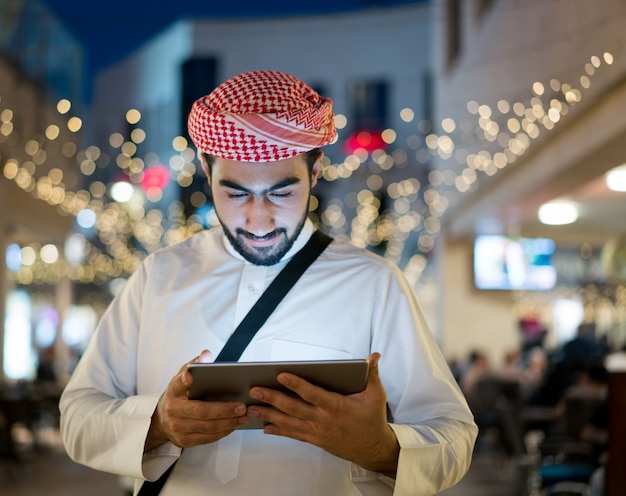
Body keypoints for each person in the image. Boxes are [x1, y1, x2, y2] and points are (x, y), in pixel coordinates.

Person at [59, 69, 477, 496]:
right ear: (206, 169)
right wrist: (158, 424)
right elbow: (77, 417)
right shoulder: (158, 276)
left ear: (316, 170)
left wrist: (381, 448)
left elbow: (455, 435)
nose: (259, 221)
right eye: (237, 194)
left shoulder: (375, 283)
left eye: (281, 193)